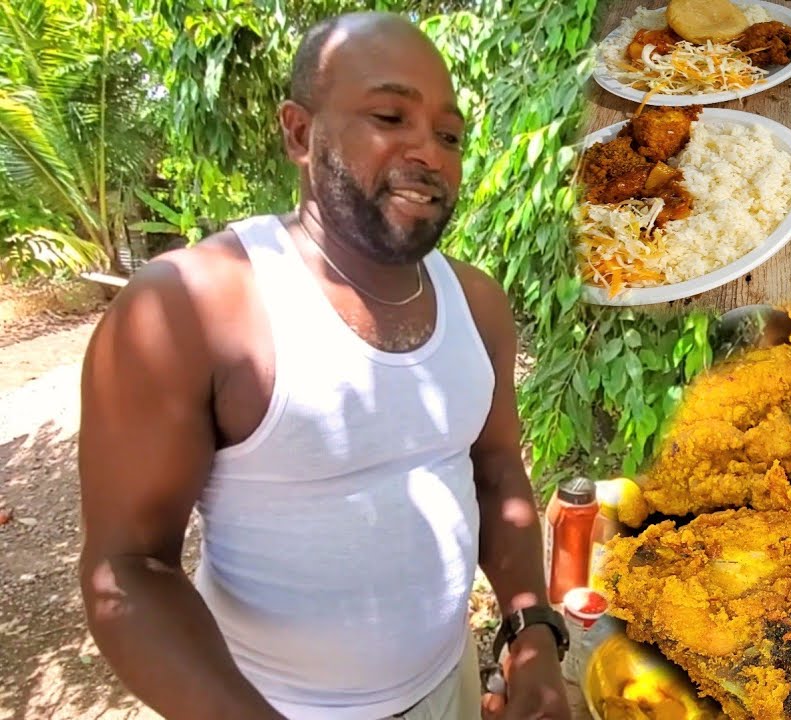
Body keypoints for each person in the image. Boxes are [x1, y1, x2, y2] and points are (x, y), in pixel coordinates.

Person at [76, 12, 570, 720]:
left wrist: (531, 638)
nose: (429, 152)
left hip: (450, 684)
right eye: (390, 116)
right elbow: (127, 569)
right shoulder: (194, 309)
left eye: (450, 134)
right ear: (299, 133)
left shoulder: (479, 304)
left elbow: (496, 474)